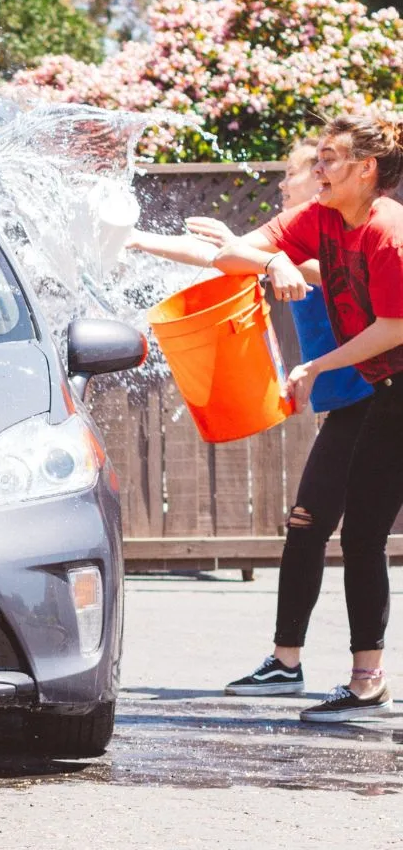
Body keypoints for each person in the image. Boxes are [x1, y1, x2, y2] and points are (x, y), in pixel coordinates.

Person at [129, 138, 374, 700]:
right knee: (311, 530)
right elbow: (216, 257)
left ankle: (351, 674)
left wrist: (261, 254)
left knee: (331, 532)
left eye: (298, 174)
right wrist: (136, 239)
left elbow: (318, 270)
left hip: (376, 401)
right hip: (349, 404)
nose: (285, 186)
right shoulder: (294, 240)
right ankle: (289, 664)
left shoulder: (341, 240)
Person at [213, 113, 403, 722]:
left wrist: (317, 365)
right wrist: (272, 264)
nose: (316, 170)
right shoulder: (319, 219)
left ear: (366, 168)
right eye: (316, 159)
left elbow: (395, 327)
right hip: (388, 393)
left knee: (363, 534)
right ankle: (365, 682)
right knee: (362, 535)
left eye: (328, 159)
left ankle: (366, 681)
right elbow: (230, 254)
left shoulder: (388, 231)